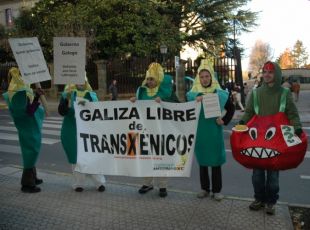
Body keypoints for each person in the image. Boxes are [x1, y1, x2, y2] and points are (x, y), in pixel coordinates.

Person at [239, 61, 302, 215]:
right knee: (257, 176)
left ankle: (271, 202)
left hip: (276, 143)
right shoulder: (256, 93)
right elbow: (249, 113)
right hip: (258, 142)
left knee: (273, 177)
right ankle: (259, 199)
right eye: (265, 71)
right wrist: (242, 123)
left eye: (270, 72)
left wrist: (297, 127)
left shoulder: (285, 94)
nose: (267, 74)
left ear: (277, 74)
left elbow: (292, 114)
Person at [187, 60, 235, 201]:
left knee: (215, 162)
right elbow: (185, 110)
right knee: (202, 161)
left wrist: (224, 120)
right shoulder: (192, 95)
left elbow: (231, 109)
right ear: (198, 78)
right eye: (202, 77)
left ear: (212, 77)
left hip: (214, 132)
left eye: (207, 76)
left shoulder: (219, 94)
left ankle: (217, 190)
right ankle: (205, 189)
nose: (204, 79)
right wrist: (196, 100)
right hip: (200, 132)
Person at [130, 62, 179, 198]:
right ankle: (147, 183)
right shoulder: (142, 92)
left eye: (152, 79)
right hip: (146, 131)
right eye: (148, 79)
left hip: (162, 131)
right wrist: (133, 101)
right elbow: (137, 108)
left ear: (158, 79)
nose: (150, 82)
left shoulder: (167, 92)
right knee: (147, 157)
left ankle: (163, 185)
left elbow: (177, 106)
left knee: (161, 157)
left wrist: (164, 101)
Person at [58, 77, 106, 192]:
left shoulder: (91, 95)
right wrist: (66, 99)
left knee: (92, 156)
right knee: (76, 158)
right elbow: (62, 111)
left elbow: (97, 111)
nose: (80, 84)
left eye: (82, 81)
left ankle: (99, 182)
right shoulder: (68, 93)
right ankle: (78, 183)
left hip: (88, 130)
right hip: (71, 130)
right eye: (77, 81)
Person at [2, 67, 45, 193]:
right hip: (28, 128)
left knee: (32, 152)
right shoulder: (19, 92)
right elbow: (28, 112)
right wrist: (37, 97)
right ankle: (27, 184)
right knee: (30, 153)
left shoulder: (18, 88)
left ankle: (33, 177)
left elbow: (27, 109)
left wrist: (36, 96)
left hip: (28, 127)